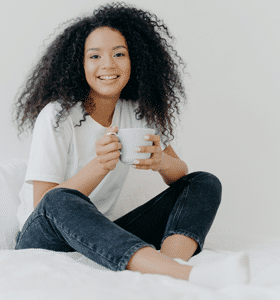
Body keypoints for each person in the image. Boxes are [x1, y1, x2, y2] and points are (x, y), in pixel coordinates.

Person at [13, 2, 250, 290]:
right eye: (95, 56)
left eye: (119, 54)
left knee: (203, 182)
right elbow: (44, 204)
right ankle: (184, 276)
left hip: (102, 231)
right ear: (80, 64)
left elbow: (181, 174)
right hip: (44, 235)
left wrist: (160, 161)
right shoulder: (57, 115)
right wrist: (99, 166)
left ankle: (167, 265)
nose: (108, 65)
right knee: (59, 198)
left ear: (134, 59)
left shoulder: (137, 113)